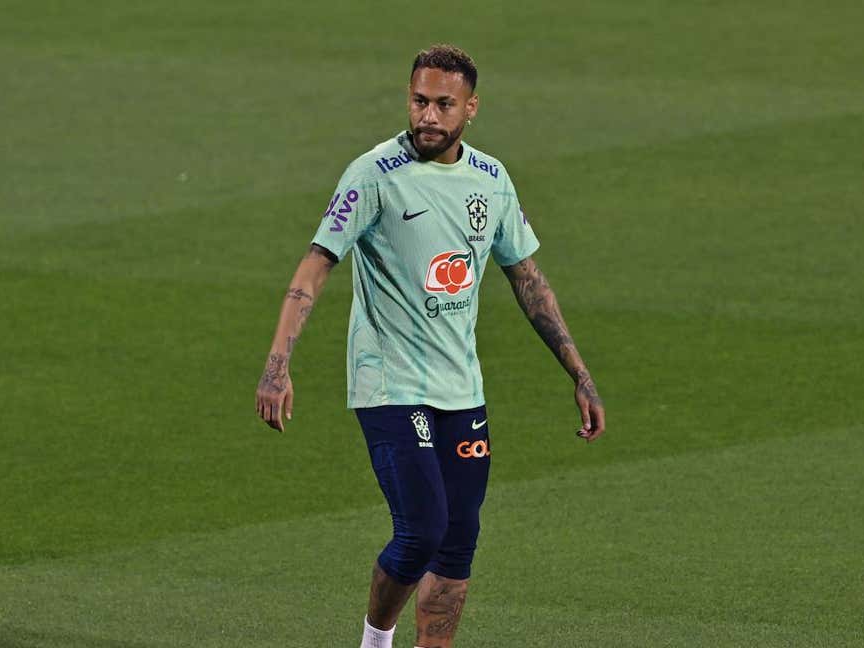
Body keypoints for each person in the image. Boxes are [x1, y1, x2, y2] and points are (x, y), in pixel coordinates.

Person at [255, 43, 605, 648]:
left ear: (471, 108)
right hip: (388, 382)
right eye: (419, 101)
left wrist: (579, 372)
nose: (428, 116)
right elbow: (314, 267)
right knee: (420, 528)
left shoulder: (491, 181)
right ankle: (375, 641)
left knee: (458, 538)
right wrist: (277, 364)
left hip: (460, 388)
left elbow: (528, 279)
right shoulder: (373, 175)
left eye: (444, 104)